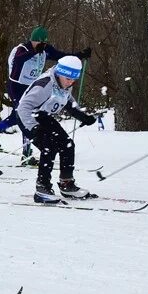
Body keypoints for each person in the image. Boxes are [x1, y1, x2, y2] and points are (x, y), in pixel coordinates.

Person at [0, 26, 90, 159]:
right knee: (25, 114)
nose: (43, 45)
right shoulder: (22, 49)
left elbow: (61, 56)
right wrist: (34, 51)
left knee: (19, 115)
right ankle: (26, 153)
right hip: (17, 87)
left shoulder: (45, 49)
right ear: (33, 40)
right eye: (39, 42)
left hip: (32, 87)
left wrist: (79, 55)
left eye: (44, 43)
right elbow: (19, 60)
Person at [16, 56, 96, 202]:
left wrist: (82, 116)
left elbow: (67, 100)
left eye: (73, 80)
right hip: (28, 117)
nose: (71, 83)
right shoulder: (44, 85)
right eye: (68, 79)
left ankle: (67, 184)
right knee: (49, 147)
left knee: (67, 144)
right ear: (60, 73)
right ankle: (42, 188)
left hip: (44, 116)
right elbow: (23, 108)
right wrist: (33, 128)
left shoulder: (64, 82)